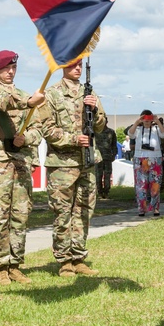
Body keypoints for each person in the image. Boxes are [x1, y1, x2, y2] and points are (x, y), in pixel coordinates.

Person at [0, 50, 45, 286]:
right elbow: (1, 102)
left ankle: (15, 265)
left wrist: (25, 139)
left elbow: (38, 128)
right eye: (6, 68)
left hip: (21, 163)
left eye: (14, 68)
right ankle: (0, 267)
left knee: (20, 216)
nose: (11, 72)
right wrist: (28, 102)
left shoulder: (26, 96)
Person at [41, 58, 107, 277]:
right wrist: (72, 139)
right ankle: (64, 260)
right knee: (62, 212)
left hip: (87, 161)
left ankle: (79, 257)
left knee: (84, 211)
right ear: (63, 67)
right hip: (62, 164)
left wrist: (95, 108)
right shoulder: (52, 94)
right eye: (72, 65)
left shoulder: (90, 93)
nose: (77, 69)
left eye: (80, 65)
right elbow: (47, 129)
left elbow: (101, 125)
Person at [129, 111, 164, 216]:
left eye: (149, 119)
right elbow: (130, 134)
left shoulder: (156, 129)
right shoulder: (138, 130)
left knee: (155, 184)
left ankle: (155, 208)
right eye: (145, 119)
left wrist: (157, 121)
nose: (147, 121)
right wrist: (137, 122)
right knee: (141, 185)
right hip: (140, 159)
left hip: (155, 158)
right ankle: (142, 208)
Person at [94, 124, 118, 198]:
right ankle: (100, 192)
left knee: (107, 174)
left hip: (107, 156)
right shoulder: (95, 131)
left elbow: (114, 144)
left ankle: (106, 192)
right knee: (98, 175)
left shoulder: (111, 132)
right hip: (98, 157)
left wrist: (114, 154)